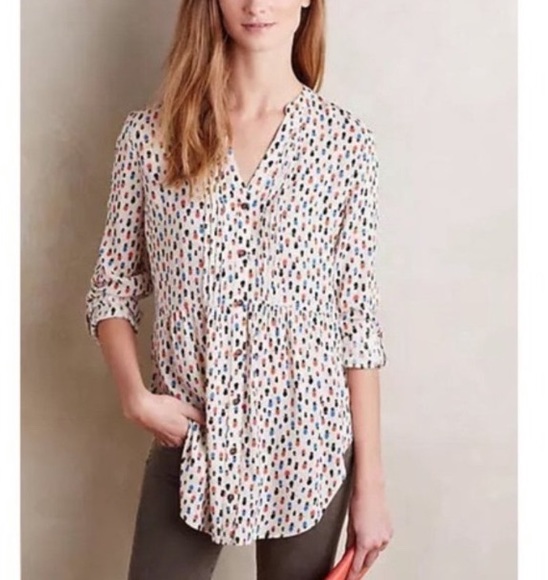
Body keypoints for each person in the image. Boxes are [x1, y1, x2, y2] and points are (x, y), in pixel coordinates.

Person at [84, 0, 394, 578]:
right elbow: (111, 287)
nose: (256, 4)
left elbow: (357, 323)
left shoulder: (345, 144)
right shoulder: (152, 137)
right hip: (192, 440)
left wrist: (370, 486)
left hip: (310, 442)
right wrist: (135, 398)